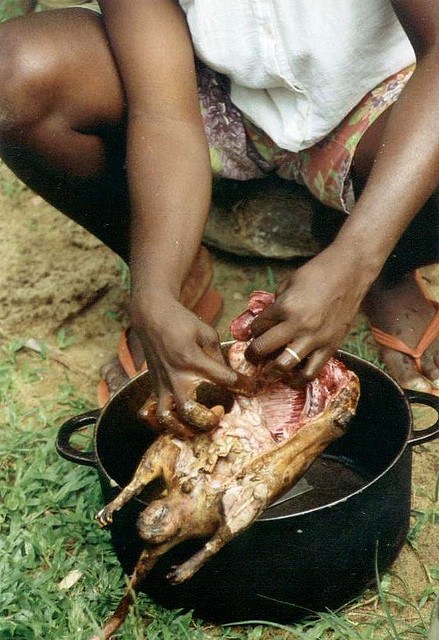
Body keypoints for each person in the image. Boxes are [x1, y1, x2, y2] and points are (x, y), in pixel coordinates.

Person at [0, 1, 437, 437]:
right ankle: (180, 271)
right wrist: (154, 289)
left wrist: (356, 260)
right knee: (15, 73)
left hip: (389, 102)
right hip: (215, 93)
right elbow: (164, 113)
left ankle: (390, 267)